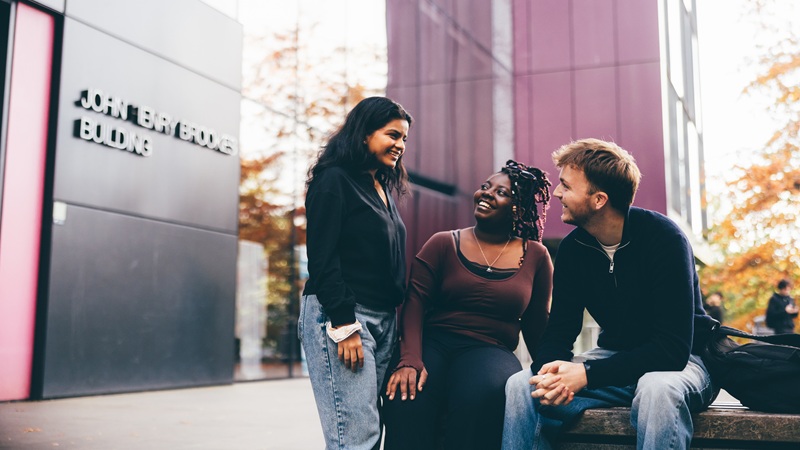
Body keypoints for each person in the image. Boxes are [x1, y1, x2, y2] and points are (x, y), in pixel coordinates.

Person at [502, 138, 718, 450]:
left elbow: (672, 349)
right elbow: (560, 331)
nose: (557, 194)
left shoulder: (664, 239)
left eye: (566, 186)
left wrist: (586, 374)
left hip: (685, 363)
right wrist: (552, 370)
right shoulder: (574, 250)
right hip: (615, 363)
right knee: (522, 385)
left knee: (656, 389)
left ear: (599, 199)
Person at [382, 160, 554, 450]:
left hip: (490, 348)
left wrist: (550, 371)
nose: (486, 193)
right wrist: (409, 359)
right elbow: (415, 303)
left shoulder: (536, 256)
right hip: (433, 343)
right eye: (485, 187)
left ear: (518, 208)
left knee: (483, 395)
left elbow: (537, 325)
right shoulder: (442, 243)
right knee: (407, 394)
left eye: (500, 192)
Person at [299, 96, 413, 450]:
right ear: (364, 133)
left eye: (405, 139)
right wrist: (343, 323)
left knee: (369, 429)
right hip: (345, 317)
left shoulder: (380, 186)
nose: (400, 145)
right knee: (356, 436)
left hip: (382, 319)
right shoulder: (334, 180)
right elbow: (322, 258)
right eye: (392, 135)